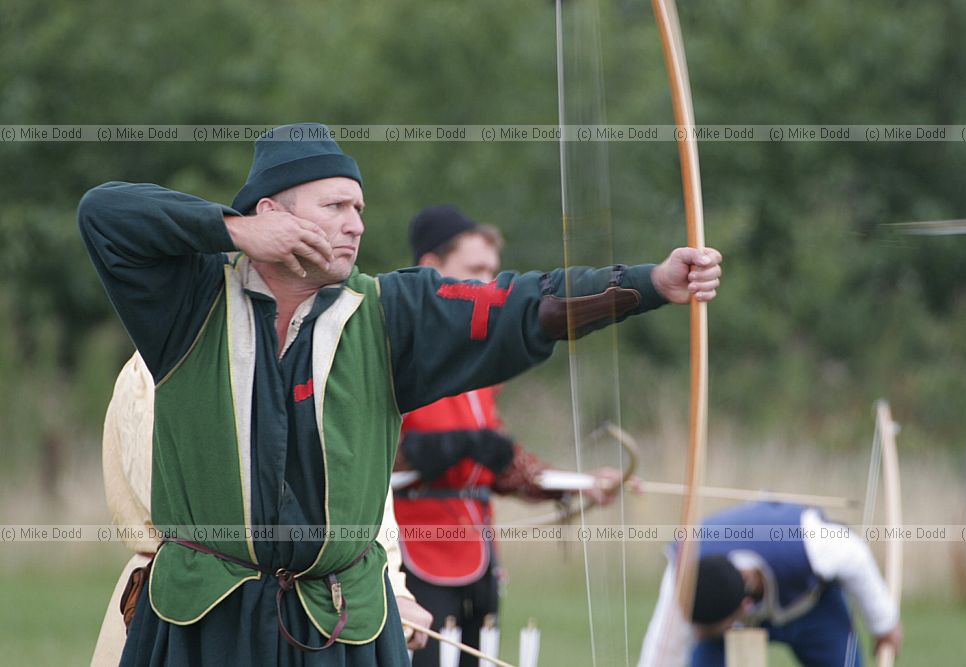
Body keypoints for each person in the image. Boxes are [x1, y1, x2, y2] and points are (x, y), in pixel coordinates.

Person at [77, 122, 723, 666]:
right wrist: (232, 231)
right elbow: (104, 213)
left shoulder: (388, 313)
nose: (356, 223)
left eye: (360, 208)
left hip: (340, 624)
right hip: (205, 622)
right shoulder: (188, 303)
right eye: (335, 206)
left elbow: (523, 304)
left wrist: (648, 282)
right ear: (270, 213)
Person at [89, 353, 429, 666]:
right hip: (193, 613)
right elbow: (178, 506)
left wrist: (395, 592)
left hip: (326, 616)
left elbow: (364, 500)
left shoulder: (334, 353)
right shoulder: (167, 356)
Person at [393, 205, 620, 666]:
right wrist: (435, 451)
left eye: (493, 273)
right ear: (431, 269)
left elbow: (499, 463)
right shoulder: (397, 346)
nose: (489, 283)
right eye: (475, 270)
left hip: (476, 557)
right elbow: (362, 457)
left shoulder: (480, 365)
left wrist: (578, 484)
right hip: (416, 554)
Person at [637, 501, 903, 667]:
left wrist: (883, 624)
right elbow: (662, 651)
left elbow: (854, 556)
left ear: (743, 605)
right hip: (729, 629)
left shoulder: (811, 543)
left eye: (704, 629)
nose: (695, 635)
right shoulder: (685, 573)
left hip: (812, 608)